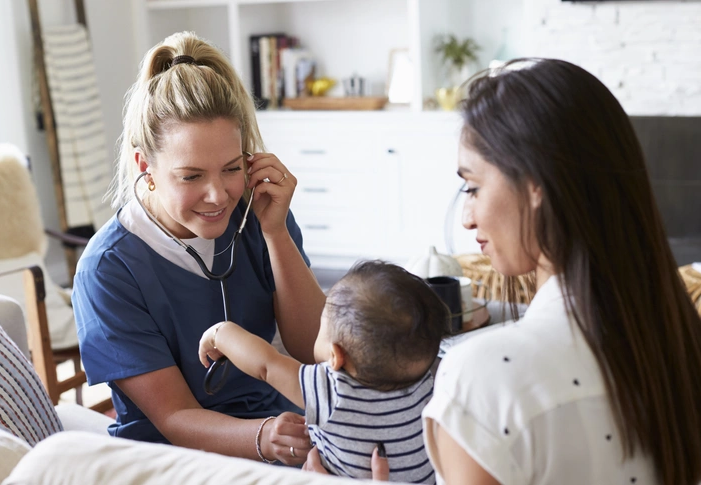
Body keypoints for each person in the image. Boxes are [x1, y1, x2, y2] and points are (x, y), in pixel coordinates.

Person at [306, 58, 701, 485]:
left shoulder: (481, 377)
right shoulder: (679, 341)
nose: (467, 218)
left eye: (473, 187)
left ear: (537, 186)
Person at [71, 31, 325, 465]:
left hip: (276, 433)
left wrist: (277, 233)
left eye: (230, 169)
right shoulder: (108, 270)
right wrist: (264, 436)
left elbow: (312, 347)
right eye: (190, 176)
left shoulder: (257, 215)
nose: (218, 196)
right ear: (145, 168)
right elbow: (173, 417)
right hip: (170, 457)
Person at [198, 260, 450, 483]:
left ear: (335, 356)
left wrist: (222, 333)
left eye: (322, 324)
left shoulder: (331, 390)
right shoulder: (424, 382)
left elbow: (267, 364)